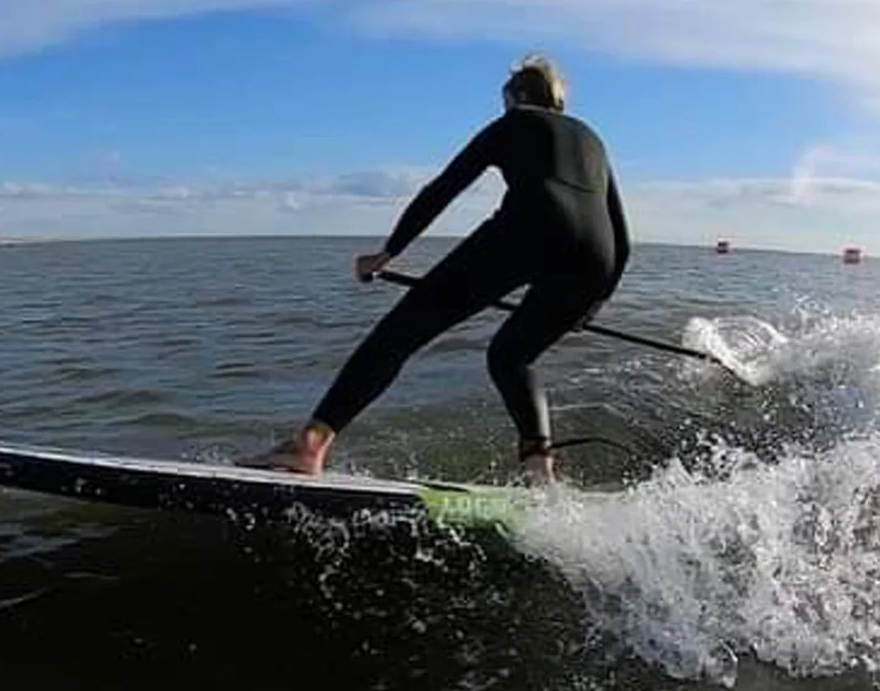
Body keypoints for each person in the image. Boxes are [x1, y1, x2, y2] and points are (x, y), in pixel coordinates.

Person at [239, 54, 630, 480]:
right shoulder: (593, 139)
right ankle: (540, 469)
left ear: (515, 96)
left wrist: (387, 253)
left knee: (399, 333)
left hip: (530, 227)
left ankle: (309, 446)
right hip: (596, 256)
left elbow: (442, 189)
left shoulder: (515, 122)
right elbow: (623, 239)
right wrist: (589, 306)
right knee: (511, 357)